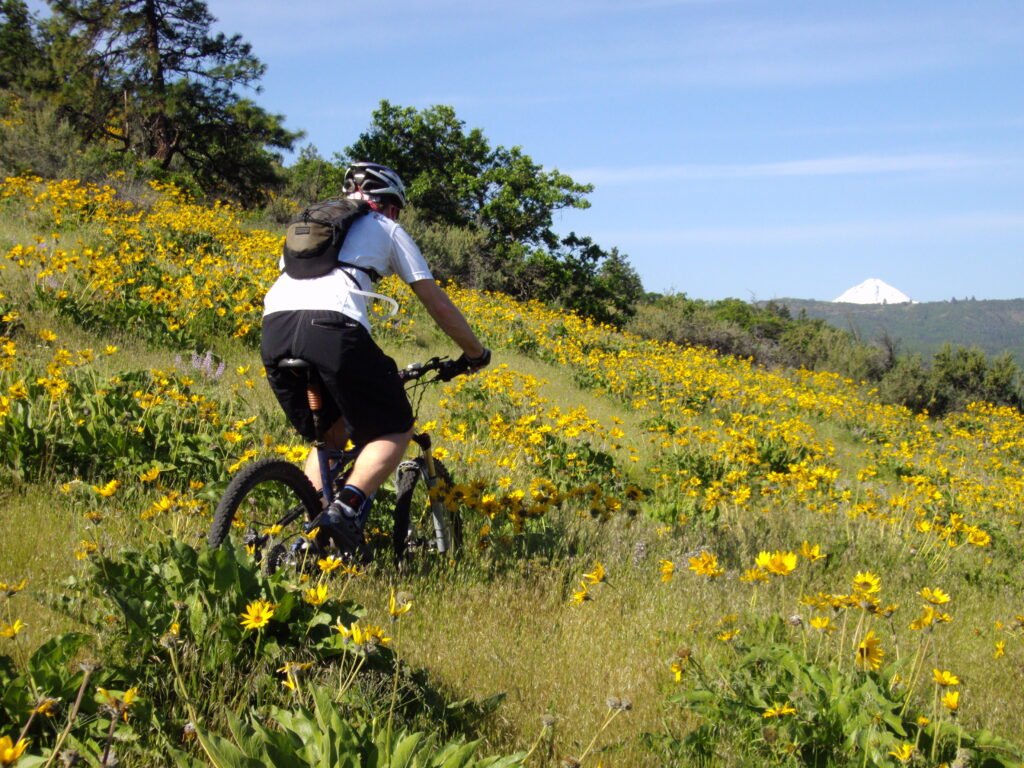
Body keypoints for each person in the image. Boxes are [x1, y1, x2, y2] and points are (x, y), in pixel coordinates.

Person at [261, 161, 490, 558]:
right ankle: (346, 509)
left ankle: (309, 542)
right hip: (332, 329)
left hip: (275, 329)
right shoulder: (385, 227)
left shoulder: (310, 229)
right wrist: (475, 352)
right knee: (396, 426)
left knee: (330, 435)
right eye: (396, 209)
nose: (396, 216)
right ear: (388, 204)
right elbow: (434, 300)